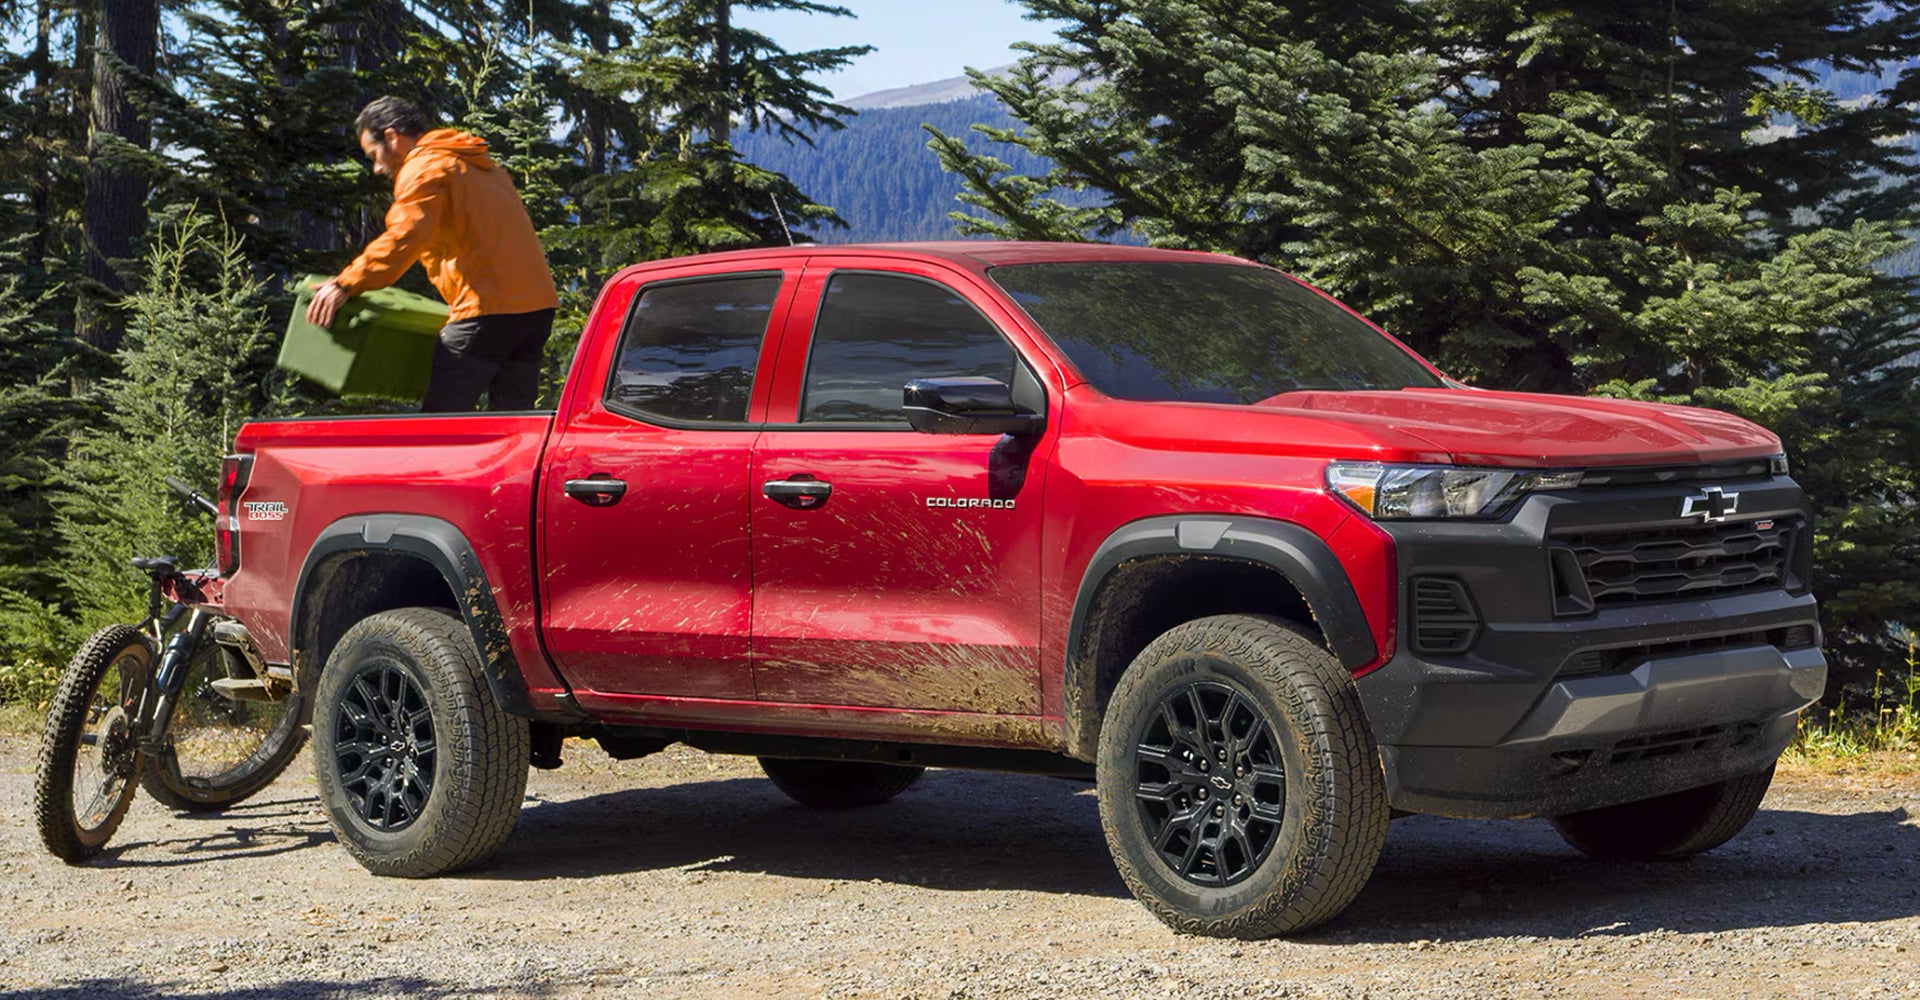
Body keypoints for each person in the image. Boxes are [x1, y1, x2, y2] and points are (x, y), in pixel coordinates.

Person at [306, 97, 559, 412]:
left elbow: (405, 236)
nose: (377, 167)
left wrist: (345, 283)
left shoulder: (425, 166)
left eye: (374, 155)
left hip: (486, 310)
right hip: (535, 310)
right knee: (513, 425)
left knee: (439, 426)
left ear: (391, 137)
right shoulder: (480, 165)